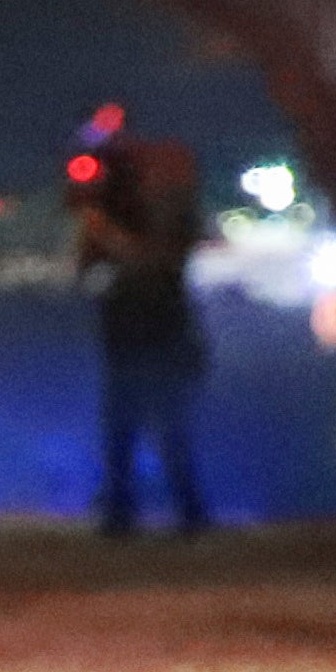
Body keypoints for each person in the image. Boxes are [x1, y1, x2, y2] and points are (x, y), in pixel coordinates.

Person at [69, 100, 212, 534]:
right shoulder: (120, 201)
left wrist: (104, 234)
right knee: (127, 423)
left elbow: (161, 259)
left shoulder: (164, 206)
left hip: (157, 322)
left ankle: (177, 512)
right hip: (131, 325)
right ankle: (127, 510)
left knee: (162, 422)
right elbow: (87, 269)